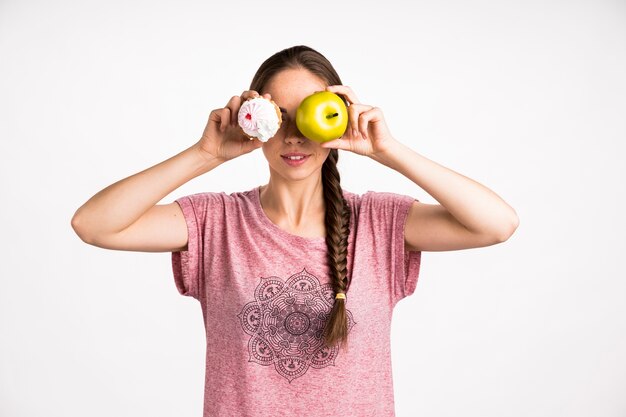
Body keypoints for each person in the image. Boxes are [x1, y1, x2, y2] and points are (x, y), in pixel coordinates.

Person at [71, 45, 519, 417]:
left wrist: (388, 150)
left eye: (309, 116)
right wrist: (206, 154)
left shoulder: (379, 225)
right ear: (252, 120)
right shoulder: (216, 223)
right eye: (277, 116)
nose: (293, 136)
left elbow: (498, 224)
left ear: (338, 119)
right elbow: (92, 225)